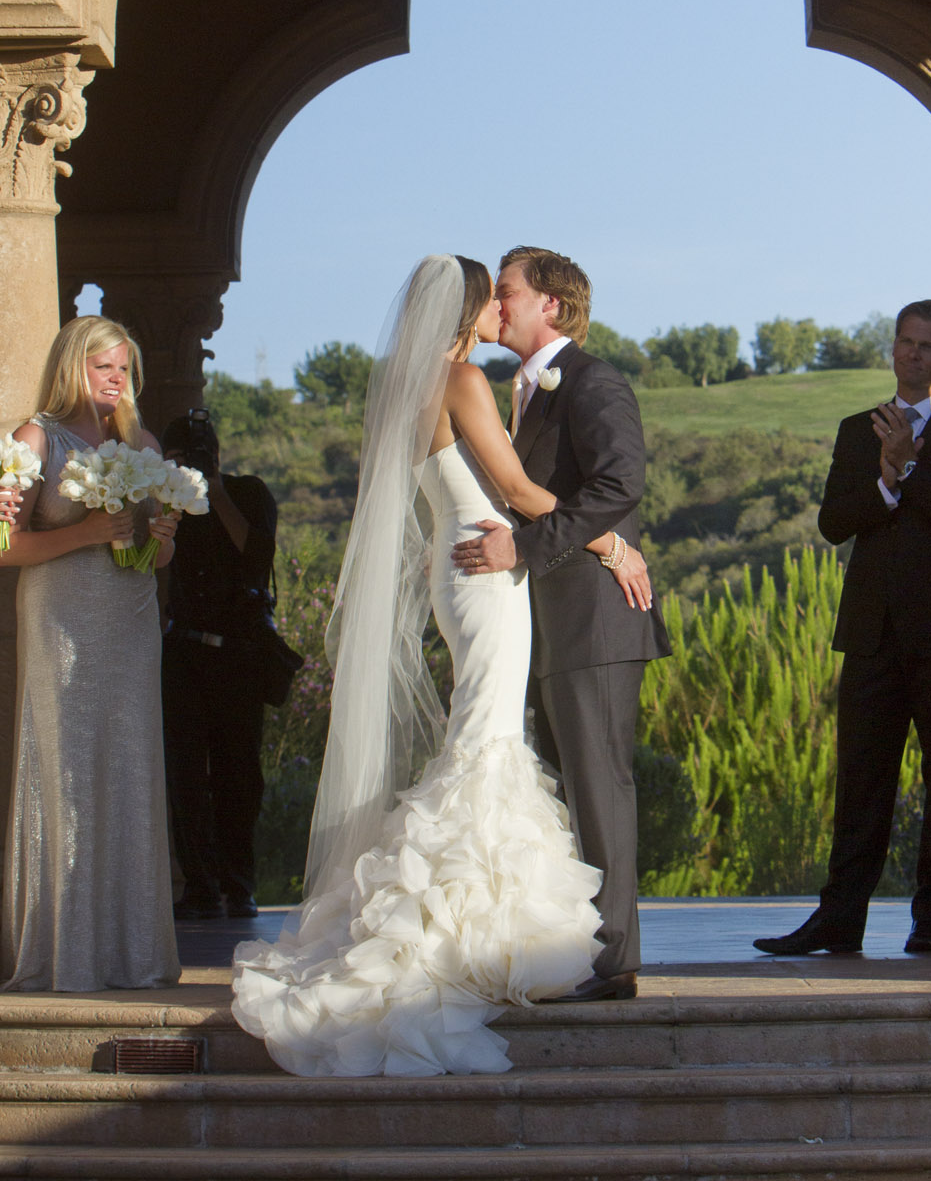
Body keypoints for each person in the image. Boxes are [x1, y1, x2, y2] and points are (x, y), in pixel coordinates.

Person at [232, 254, 651, 1075]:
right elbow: (518, 488)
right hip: (489, 571)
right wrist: (611, 543)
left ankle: (488, 923)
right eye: (490, 293)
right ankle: (475, 930)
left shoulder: (410, 378)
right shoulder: (463, 378)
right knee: (486, 743)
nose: (500, 303)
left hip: (455, 571)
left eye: (511, 289)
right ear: (466, 309)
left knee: (482, 732)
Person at [452, 246, 672, 999]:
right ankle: (567, 942)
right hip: (543, 620)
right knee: (563, 793)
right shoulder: (519, 389)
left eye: (507, 291)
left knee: (598, 788)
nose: (497, 303)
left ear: (551, 303)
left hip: (594, 618)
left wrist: (525, 542)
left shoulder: (592, 379)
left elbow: (619, 484)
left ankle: (613, 963)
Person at [753, 300, 931, 959]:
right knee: (860, 781)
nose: (910, 355)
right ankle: (839, 918)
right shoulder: (855, 430)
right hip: (870, 635)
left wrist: (913, 467)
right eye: (902, 343)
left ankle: (929, 920)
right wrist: (888, 476)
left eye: (925, 346)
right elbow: (834, 522)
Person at [0, 316, 181, 992]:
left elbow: (156, 555)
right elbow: (4, 545)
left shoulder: (142, 442)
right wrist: (86, 534)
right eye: (106, 368)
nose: (118, 381)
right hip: (60, 618)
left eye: (125, 370)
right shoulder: (32, 439)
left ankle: (132, 950)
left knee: (130, 763)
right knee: (68, 762)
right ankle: (65, 951)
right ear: (75, 366)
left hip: (129, 619)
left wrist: (160, 537)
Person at [160, 408, 278, 922]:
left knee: (238, 775)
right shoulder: (162, 501)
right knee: (185, 774)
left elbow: (255, 554)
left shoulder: (248, 492)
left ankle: (239, 882)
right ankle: (201, 885)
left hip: (238, 653)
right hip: (183, 651)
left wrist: (213, 488)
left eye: (201, 452)